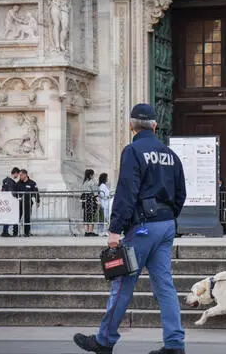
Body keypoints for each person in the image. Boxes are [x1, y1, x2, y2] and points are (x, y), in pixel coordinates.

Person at [73, 103, 187, 354]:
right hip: (166, 225)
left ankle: (104, 340)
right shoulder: (171, 155)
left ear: (130, 126)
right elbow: (181, 194)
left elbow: (126, 191)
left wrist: (115, 229)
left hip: (143, 226)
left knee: (123, 283)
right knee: (164, 286)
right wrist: (168, 217)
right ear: (155, 126)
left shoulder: (133, 151)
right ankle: (175, 343)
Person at [14, 169, 39, 237]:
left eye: (21, 175)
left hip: (28, 203)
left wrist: (38, 201)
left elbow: (36, 192)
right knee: (17, 218)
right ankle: (15, 233)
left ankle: (26, 232)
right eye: (20, 175)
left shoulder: (32, 183)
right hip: (19, 204)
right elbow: (15, 193)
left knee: (27, 218)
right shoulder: (18, 183)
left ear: (25, 175)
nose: (20, 176)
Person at [1, 167, 20, 237]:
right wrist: (16, 199)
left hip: (7, 201)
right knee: (8, 217)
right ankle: (5, 232)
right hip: (10, 201)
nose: (17, 176)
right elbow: (12, 192)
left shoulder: (6, 180)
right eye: (17, 175)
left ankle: (5, 231)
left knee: (7, 216)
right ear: (15, 173)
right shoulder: (10, 181)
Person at [81, 169, 99, 237]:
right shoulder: (92, 182)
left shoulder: (84, 182)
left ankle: (86, 231)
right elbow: (95, 192)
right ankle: (90, 231)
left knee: (86, 216)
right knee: (91, 215)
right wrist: (98, 200)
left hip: (85, 200)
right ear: (91, 175)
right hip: (91, 199)